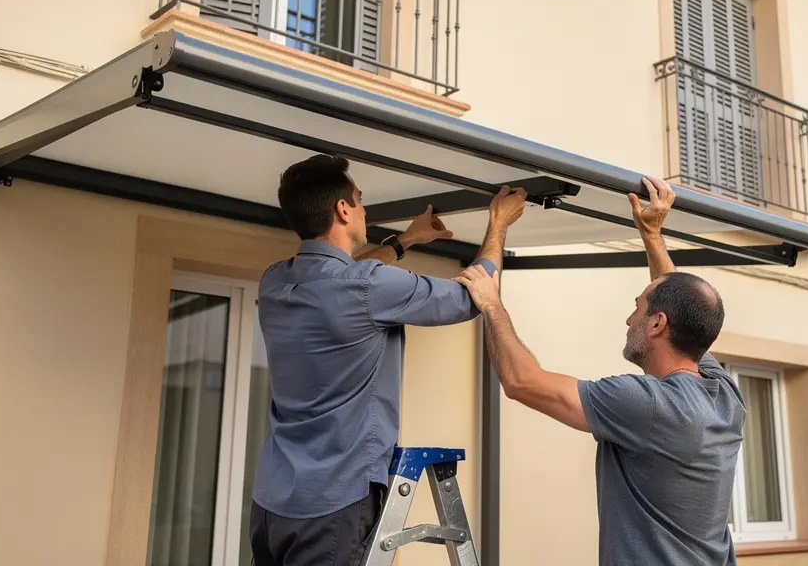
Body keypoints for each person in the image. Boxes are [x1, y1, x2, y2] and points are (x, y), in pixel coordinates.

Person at [250, 153, 527, 566]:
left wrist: (406, 241)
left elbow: (343, 277)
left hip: (272, 501)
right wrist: (498, 225)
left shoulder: (276, 280)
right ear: (343, 209)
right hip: (334, 503)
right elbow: (473, 297)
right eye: (359, 201)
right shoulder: (365, 287)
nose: (363, 209)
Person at [454, 177, 745, 566]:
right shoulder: (723, 393)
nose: (628, 320)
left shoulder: (651, 407)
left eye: (637, 309)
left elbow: (522, 382)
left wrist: (491, 304)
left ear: (657, 325)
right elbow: (682, 303)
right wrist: (652, 236)